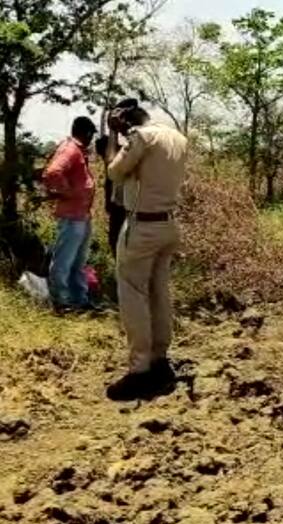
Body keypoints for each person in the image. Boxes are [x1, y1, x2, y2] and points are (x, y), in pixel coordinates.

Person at [104, 99, 188, 401]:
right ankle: (160, 358)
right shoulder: (177, 137)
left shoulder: (141, 137)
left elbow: (114, 172)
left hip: (142, 226)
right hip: (168, 224)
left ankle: (140, 369)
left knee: (133, 294)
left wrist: (113, 136)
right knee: (159, 292)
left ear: (127, 122)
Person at [43, 116, 98, 313]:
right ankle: (61, 301)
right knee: (64, 260)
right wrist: (68, 193)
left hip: (81, 215)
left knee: (78, 262)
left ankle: (78, 300)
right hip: (71, 216)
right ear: (87, 134)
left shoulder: (79, 152)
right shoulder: (70, 149)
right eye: (91, 135)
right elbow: (53, 173)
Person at [95, 134, 127, 257]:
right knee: (115, 240)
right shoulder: (113, 160)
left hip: (123, 206)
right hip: (117, 207)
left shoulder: (120, 160)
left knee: (118, 241)